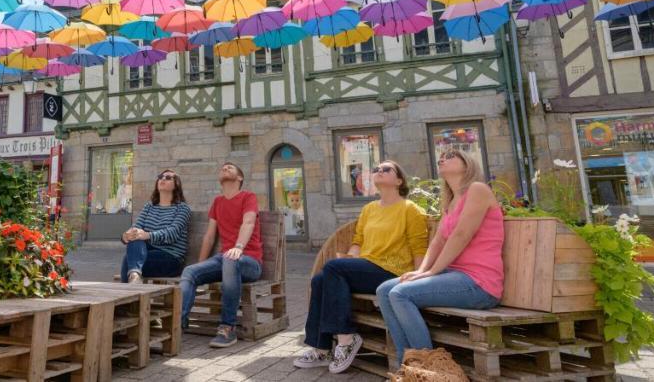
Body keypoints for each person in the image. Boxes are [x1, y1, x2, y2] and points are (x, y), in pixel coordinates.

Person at [294, 160, 429, 374]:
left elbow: (418, 246)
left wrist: (418, 276)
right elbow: (357, 241)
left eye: (387, 169)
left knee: (333, 269)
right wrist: (349, 259)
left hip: (392, 271)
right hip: (367, 266)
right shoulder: (369, 209)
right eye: (376, 169)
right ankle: (321, 348)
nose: (379, 171)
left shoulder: (409, 209)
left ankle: (346, 339)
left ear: (399, 180)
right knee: (319, 279)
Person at [376, 149, 503, 366]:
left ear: (467, 163)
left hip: (479, 283)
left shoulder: (478, 189)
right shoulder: (451, 201)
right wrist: (421, 271)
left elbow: (462, 235)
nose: (442, 158)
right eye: (441, 157)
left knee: (400, 294)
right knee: (384, 290)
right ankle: (407, 367)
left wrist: (431, 272)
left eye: (451, 155)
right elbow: (437, 242)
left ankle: (429, 368)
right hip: (454, 277)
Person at [179, 162, 262, 349]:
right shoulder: (218, 202)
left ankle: (227, 327)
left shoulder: (248, 197)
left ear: (240, 178)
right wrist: (201, 266)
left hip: (249, 261)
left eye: (230, 167)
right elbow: (209, 236)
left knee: (230, 259)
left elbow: (248, 223)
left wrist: (239, 247)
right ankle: (179, 322)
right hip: (224, 259)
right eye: (222, 168)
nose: (225, 168)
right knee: (190, 272)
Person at [120, 169, 191, 283]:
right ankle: (135, 276)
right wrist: (125, 236)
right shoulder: (149, 206)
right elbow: (136, 228)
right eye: (160, 177)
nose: (162, 179)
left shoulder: (182, 208)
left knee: (128, 261)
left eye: (168, 178)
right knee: (135, 240)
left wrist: (147, 235)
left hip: (171, 258)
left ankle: (130, 289)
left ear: (176, 185)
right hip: (145, 253)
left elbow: (172, 233)